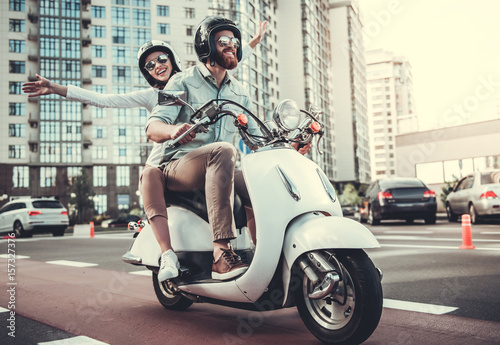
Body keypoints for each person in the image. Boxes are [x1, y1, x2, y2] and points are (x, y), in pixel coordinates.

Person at [21, 21, 269, 282]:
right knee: (211, 154)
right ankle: (208, 253)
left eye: (161, 58)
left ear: (172, 59)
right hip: (169, 163)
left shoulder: (228, 88)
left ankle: (262, 250)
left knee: (255, 177)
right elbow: (107, 101)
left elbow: (228, 56)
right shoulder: (176, 86)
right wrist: (57, 89)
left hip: (214, 162)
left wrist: (252, 42)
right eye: (149, 65)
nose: (157, 66)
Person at [147, 16, 311, 282]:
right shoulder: (182, 82)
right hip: (177, 168)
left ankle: (266, 254)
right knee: (222, 150)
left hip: (219, 168)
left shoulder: (239, 93)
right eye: (223, 41)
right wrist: (173, 130)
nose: (231, 46)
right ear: (206, 46)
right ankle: (221, 254)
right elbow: (153, 127)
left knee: (260, 179)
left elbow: (260, 142)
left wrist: (291, 148)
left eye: (234, 41)